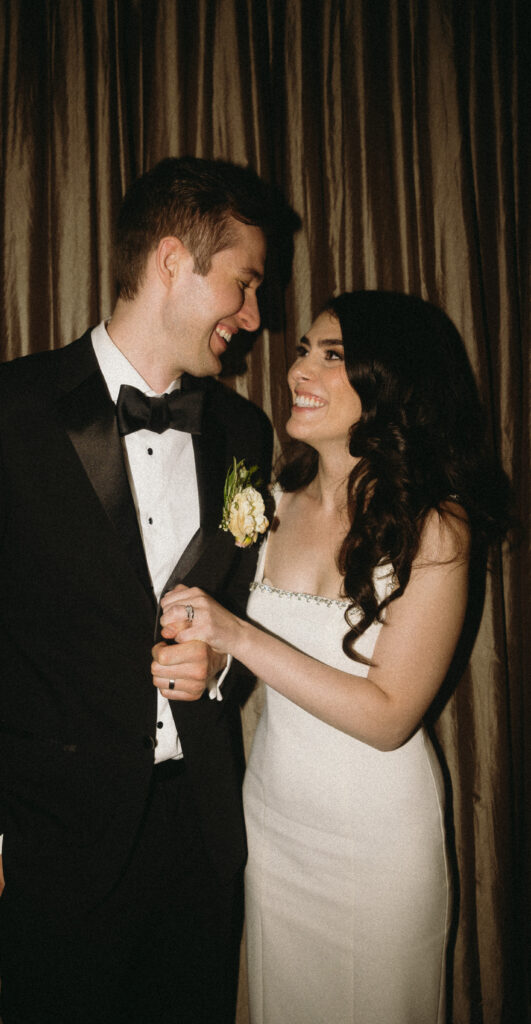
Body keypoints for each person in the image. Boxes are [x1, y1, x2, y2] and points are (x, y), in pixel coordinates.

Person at [0, 156, 278, 1023]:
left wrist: (217, 671)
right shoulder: (1, 409)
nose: (256, 316)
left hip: (201, 839)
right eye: (244, 284)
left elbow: (244, 619)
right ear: (173, 261)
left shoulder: (242, 429)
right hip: (51, 850)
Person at [160, 291, 511, 1024]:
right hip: (273, 827)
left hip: (375, 847)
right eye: (302, 352)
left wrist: (237, 637)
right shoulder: (268, 503)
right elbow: (241, 664)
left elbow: (388, 717)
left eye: (332, 356)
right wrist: (209, 662)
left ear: (391, 384)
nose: (298, 372)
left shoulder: (434, 525)